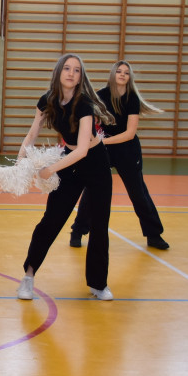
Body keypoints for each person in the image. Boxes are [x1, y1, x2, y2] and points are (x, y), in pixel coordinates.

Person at [16, 53, 117, 302]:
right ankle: (28, 277)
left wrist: (49, 170)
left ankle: (98, 284)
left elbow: (83, 150)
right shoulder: (47, 101)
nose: (72, 73)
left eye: (77, 70)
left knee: (99, 225)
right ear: (59, 72)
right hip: (69, 163)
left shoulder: (84, 105)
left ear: (81, 77)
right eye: (67, 69)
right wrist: (20, 161)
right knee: (50, 221)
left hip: (95, 163)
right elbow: (31, 136)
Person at [69, 61, 169, 250]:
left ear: (129, 77)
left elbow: (129, 133)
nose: (122, 75)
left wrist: (100, 142)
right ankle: (77, 231)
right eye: (119, 71)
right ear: (113, 74)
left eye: (126, 72)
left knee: (138, 193)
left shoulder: (132, 99)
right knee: (92, 191)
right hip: (104, 149)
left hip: (127, 150)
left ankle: (154, 235)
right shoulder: (101, 96)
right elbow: (88, 122)